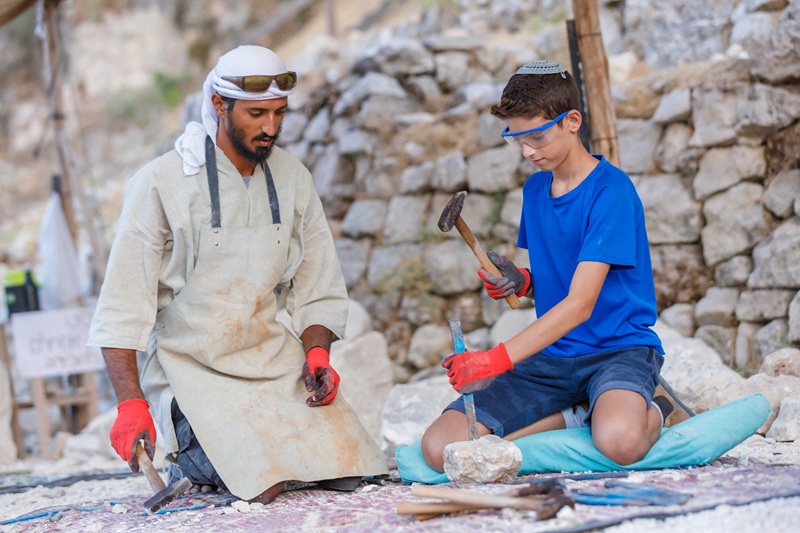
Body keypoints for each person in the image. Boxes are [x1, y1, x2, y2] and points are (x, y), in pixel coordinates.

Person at [88, 45, 387, 503]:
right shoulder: (160, 183)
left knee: (350, 470)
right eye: (256, 114)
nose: (270, 127)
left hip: (274, 365)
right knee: (262, 485)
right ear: (219, 105)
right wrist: (131, 404)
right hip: (193, 372)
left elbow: (318, 286)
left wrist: (317, 355)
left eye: (279, 113)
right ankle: (193, 450)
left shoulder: (293, 178)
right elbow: (121, 307)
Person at [421, 60, 682, 473]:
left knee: (621, 442)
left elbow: (580, 304)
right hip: (555, 356)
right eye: (517, 139)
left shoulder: (611, 192)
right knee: (440, 448)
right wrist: (524, 282)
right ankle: (578, 412)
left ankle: (656, 410)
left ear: (571, 121)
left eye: (537, 136)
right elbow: (561, 277)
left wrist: (493, 361)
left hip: (619, 350)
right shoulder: (536, 189)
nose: (528, 151)